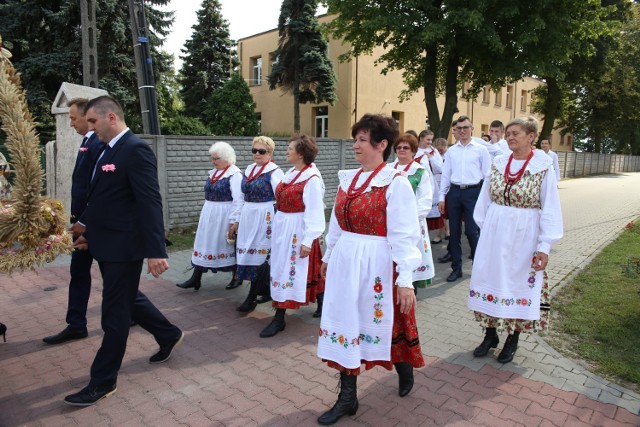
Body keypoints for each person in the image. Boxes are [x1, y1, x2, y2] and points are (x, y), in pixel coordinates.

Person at [66, 96, 183, 406]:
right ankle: (168, 333)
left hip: (125, 248)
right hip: (105, 243)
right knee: (128, 298)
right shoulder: (106, 148)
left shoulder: (135, 149)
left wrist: (156, 250)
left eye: (93, 121)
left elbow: (150, 202)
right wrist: (86, 231)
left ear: (112, 118)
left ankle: (102, 382)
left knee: (114, 316)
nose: (90, 128)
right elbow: (103, 198)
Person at [317, 114, 424, 425]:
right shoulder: (347, 179)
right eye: (356, 139)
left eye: (362, 140)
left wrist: (406, 280)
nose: (356, 145)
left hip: (377, 262)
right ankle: (347, 397)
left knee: (386, 323)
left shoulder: (396, 183)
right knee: (346, 323)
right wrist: (328, 255)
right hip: (346, 261)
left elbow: (405, 235)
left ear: (381, 145)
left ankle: (402, 364)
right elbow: (336, 222)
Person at [469, 117, 563, 363]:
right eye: (508, 133)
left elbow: (551, 208)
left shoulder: (543, 166)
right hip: (495, 234)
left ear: (531, 136)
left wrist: (544, 247)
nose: (510, 137)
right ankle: (490, 335)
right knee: (490, 279)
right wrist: (488, 229)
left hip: (525, 236)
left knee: (518, 284)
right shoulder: (499, 163)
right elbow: (484, 201)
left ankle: (513, 339)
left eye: (515, 133)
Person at [43, 98, 105, 345]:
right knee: (79, 272)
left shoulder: (98, 144)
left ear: (88, 117)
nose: (70, 123)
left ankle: (151, 322)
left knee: (113, 275)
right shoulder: (86, 142)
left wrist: (86, 223)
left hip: (92, 225)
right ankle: (76, 324)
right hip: (82, 223)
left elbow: (99, 189)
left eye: (72, 118)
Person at [260, 134, 325, 338]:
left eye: (290, 149)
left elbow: (315, 211)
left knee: (290, 271)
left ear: (301, 154)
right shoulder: (290, 173)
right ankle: (322, 303)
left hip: (298, 229)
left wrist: (308, 240)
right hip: (283, 227)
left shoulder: (311, 179)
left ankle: (279, 318)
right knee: (293, 269)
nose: (286, 151)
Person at [176, 142, 244, 291]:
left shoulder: (235, 175)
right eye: (212, 158)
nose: (212, 161)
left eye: (216, 159)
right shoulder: (213, 173)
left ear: (226, 158)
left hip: (224, 214)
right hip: (209, 213)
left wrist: (234, 221)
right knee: (204, 242)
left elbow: (238, 200)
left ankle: (236, 277)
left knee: (226, 244)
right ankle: (196, 278)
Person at [437, 115, 491, 282]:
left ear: (472, 129)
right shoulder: (452, 151)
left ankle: (478, 268)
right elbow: (446, 175)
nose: (462, 131)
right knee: (453, 233)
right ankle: (456, 268)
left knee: (471, 231)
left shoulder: (481, 149)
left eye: (465, 127)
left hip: (473, 193)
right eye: (459, 128)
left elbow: (488, 175)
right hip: (454, 193)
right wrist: (441, 197)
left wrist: (486, 199)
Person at [235, 136, 285, 313]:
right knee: (247, 252)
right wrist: (237, 219)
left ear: (270, 153)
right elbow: (241, 196)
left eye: (261, 151)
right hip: (249, 214)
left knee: (261, 256)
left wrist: (279, 222)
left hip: (265, 216)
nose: (257, 154)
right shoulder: (248, 170)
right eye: (254, 150)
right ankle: (265, 289)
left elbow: (281, 197)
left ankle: (252, 297)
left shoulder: (274, 172)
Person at [391, 133, 435, 290]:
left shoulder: (420, 171)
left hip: (412, 223)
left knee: (411, 256)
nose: (401, 150)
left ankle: (410, 289)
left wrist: (410, 219)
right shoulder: (388, 169)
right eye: (398, 147)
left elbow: (425, 200)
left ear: (413, 151)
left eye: (406, 147)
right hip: (390, 222)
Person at [415, 130, 444, 243]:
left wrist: (430, 158)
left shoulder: (433, 151)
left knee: (432, 211)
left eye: (431, 139)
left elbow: (440, 168)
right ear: (421, 138)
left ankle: (436, 236)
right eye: (428, 139)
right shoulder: (414, 149)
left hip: (431, 182)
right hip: (416, 183)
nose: (430, 142)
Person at [433, 138, 450, 243]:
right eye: (437, 150)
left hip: (446, 185)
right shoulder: (434, 155)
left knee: (444, 211)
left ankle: (444, 233)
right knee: (441, 211)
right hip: (436, 183)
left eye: (441, 150)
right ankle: (445, 232)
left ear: (445, 147)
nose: (439, 152)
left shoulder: (449, 155)